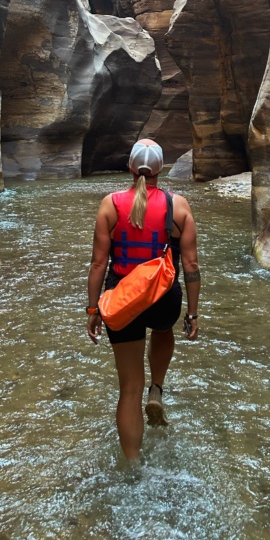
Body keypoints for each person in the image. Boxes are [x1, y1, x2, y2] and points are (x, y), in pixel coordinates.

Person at [86, 138, 200, 461]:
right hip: (163, 298)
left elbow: (98, 264)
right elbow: (190, 266)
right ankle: (158, 388)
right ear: (160, 170)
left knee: (128, 390)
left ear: (130, 168)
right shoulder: (178, 207)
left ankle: (134, 465)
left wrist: (93, 309)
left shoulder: (110, 205)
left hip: (122, 301)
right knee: (164, 328)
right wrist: (192, 313)